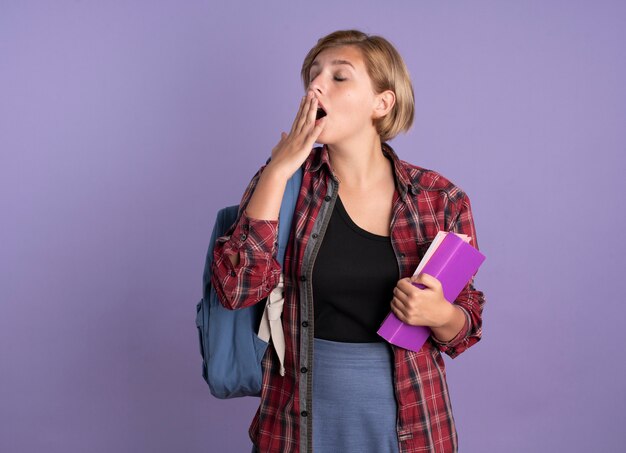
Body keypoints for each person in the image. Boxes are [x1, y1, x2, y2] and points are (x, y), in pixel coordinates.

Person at [211, 29, 486, 453]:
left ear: (382, 102)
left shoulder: (439, 198)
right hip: (296, 421)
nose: (316, 86)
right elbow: (236, 290)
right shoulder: (285, 186)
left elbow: (464, 328)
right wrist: (277, 172)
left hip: (409, 421)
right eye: (313, 76)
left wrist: (440, 313)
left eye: (340, 77)